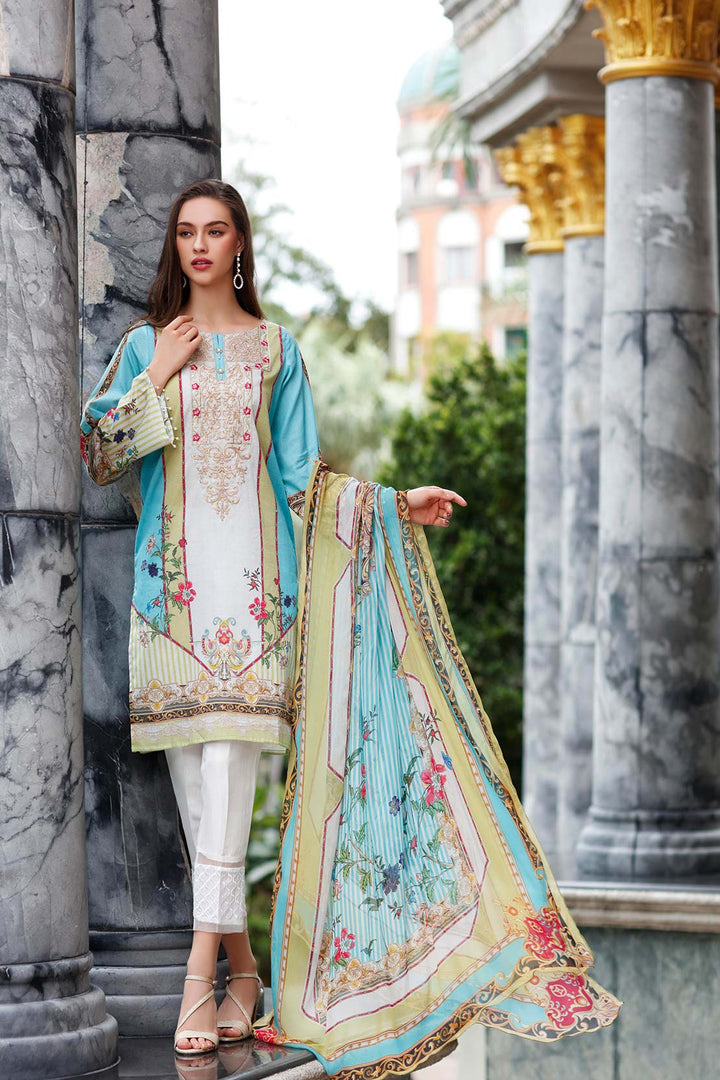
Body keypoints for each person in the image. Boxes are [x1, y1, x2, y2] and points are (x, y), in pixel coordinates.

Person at [81, 179, 620, 1075]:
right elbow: (99, 455)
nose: (200, 245)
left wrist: (395, 505)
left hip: (259, 608)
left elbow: (306, 483)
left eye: (216, 231)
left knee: (228, 785)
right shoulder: (147, 347)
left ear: (240, 246)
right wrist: (159, 376)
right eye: (186, 232)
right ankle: (245, 975)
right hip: (168, 608)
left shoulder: (277, 353)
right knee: (199, 806)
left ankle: (198, 979)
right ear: (175, 247)